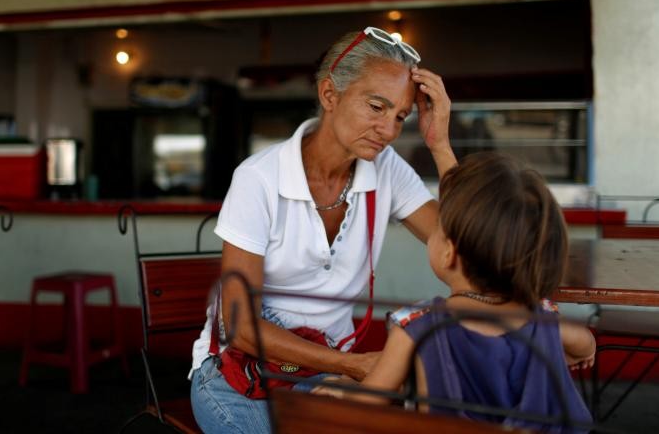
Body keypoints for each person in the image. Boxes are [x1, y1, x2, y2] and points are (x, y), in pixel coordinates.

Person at [190, 26, 457, 433]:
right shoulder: (259, 179)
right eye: (376, 107)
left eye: (400, 116)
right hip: (238, 376)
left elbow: (460, 244)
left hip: (323, 372)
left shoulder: (387, 171)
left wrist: (439, 145)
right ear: (330, 95)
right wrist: (353, 365)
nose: (388, 131)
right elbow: (239, 326)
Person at [314, 152, 595, 432]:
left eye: (437, 227)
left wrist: (342, 389)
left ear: (449, 252)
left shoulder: (418, 324)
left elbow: (373, 398)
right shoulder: (541, 318)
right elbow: (585, 345)